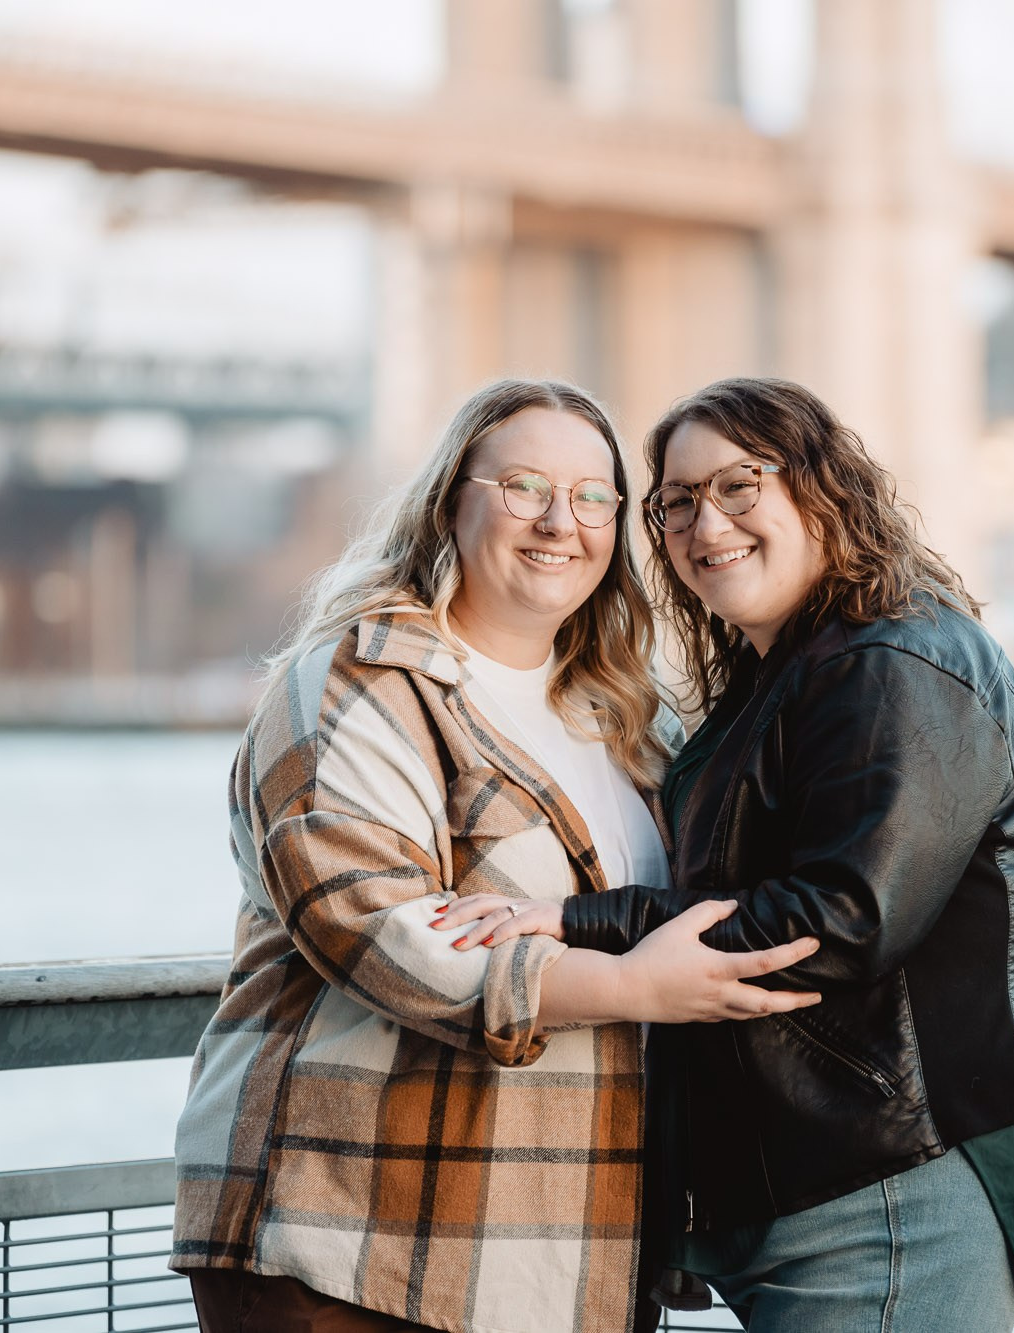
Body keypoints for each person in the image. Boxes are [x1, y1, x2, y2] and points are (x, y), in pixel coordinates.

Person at [169, 378, 822, 1333]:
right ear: (450, 501)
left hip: (566, 1259)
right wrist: (637, 985)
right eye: (523, 486)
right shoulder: (357, 683)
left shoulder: (628, 717)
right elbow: (380, 932)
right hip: (354, 1242)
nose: (562, 521)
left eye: (594, 496)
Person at [440, 378, 1014, 1331]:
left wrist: (584, 920)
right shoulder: (791, 675)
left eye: (740, 486)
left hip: (896, 1191)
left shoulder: (895, 661)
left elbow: (842, 919)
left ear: (823, 491)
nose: (708, 524)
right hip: (820, 1186)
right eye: (677, 503)